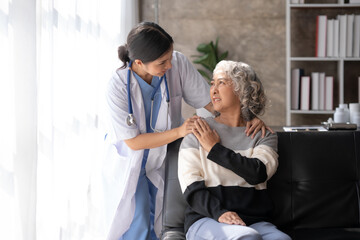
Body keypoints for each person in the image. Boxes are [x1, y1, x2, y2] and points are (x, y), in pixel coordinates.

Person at [105, 22, 271, 240]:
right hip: (131, 163)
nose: (169, 65)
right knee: (136, 229)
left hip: (163, 160)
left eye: (170, 56)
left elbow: (210, 103)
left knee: (159, 227)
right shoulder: (117, 87)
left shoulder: (177, 63)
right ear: (138, 62)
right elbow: (133, 142)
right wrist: (180, 131)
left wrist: (249, 118)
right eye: (162, 62)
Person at [178, 60, 291, 240]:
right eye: (212, 83)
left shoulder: (263, 135)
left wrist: (215, 149)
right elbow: (191, 187)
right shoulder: (199, 132)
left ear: (241, 90)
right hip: (207, 219)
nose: (213, 90)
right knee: (247, 237)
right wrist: (220, 213)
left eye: (221, 82)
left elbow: (258, 173)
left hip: (255, 222)